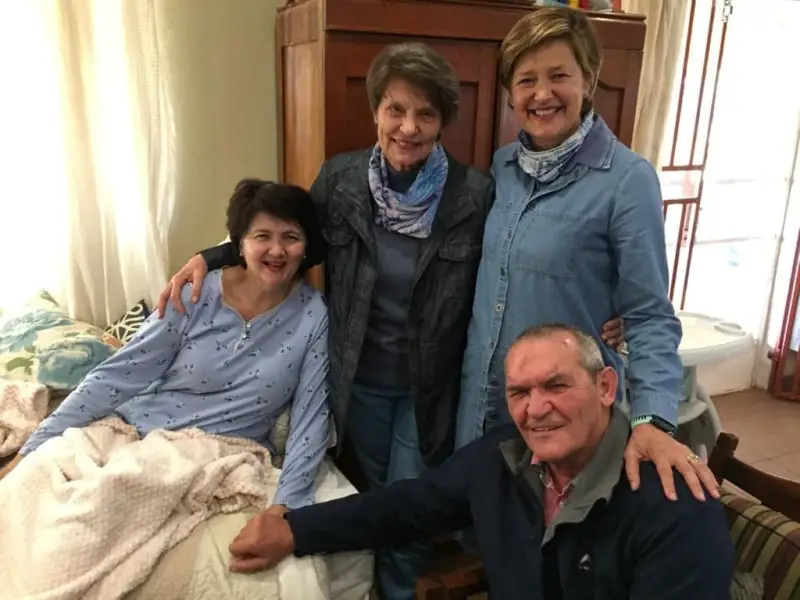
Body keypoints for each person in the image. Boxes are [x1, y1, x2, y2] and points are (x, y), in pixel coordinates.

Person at [156, 42, 624, 600]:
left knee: (410, 502)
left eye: (425, 113)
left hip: (429, 389)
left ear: (443, 122)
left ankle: (396, 592)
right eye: (396, 109)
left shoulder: (474, 194)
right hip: (356, 381)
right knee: (374, 494)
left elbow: (524, 260)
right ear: (376, 111)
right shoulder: (342, 180)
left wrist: (609, 306)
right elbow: (284, 241)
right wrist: (214, 257)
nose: (408, 126)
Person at [226, 323, 735, 600]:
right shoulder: (499, 459)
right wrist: (296, 530)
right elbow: (406, 505)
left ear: (606, 387)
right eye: (520, 393)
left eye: (557, 386)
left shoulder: (676, 505)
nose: (536, 409)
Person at [455, 6, 719, 502]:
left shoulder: (627, 180)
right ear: (511, 93)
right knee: (490, 536)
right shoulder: (504, 166)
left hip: (566, 419)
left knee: (557, 553)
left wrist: (652, 419)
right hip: (486, 401)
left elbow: (650, 316)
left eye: (559, 76)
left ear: (589, 79)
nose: (542, 93)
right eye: (526, 79)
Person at [8, 180, 332, 510]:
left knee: (92, 512)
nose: (276, 251)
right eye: (262, 236)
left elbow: (312, 414)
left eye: (290, 237)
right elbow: (119, 374)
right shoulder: (195, 293)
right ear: (240, 244)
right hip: (138, 433)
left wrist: (286, 506)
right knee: (30, 492)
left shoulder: (314, 315)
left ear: (305, 246)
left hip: (221, 453)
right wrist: (31, 449)